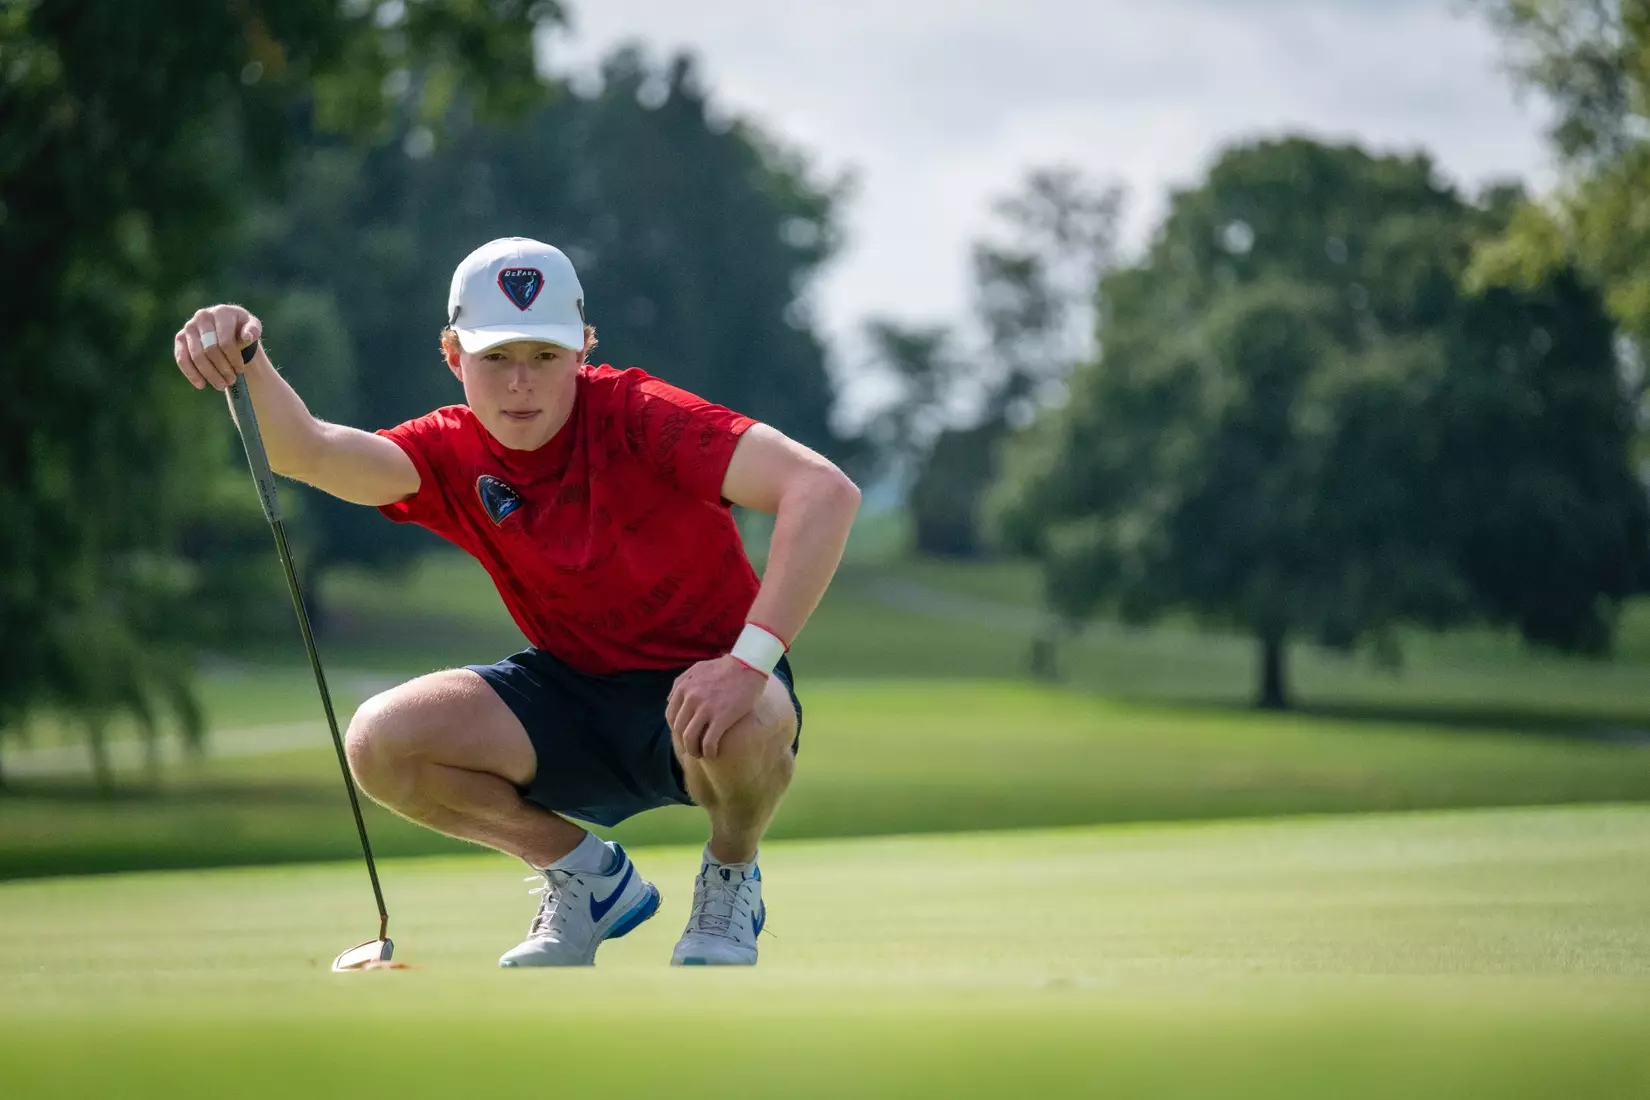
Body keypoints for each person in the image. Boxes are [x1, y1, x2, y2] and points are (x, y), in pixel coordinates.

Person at [172, 237, 860, 967]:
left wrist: (749, 663)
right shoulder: (449, 450)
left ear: (583, 349)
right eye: (496, 356)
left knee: (748, 722)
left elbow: (822, 490)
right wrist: (248, 359)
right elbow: (306, 451)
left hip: (713, 683)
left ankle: (730, 874)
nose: (520, 383)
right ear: (453, 356)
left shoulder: (642, 414)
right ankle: (588, 879)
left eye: (544, 355)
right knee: (381, 742)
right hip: (570, 691)